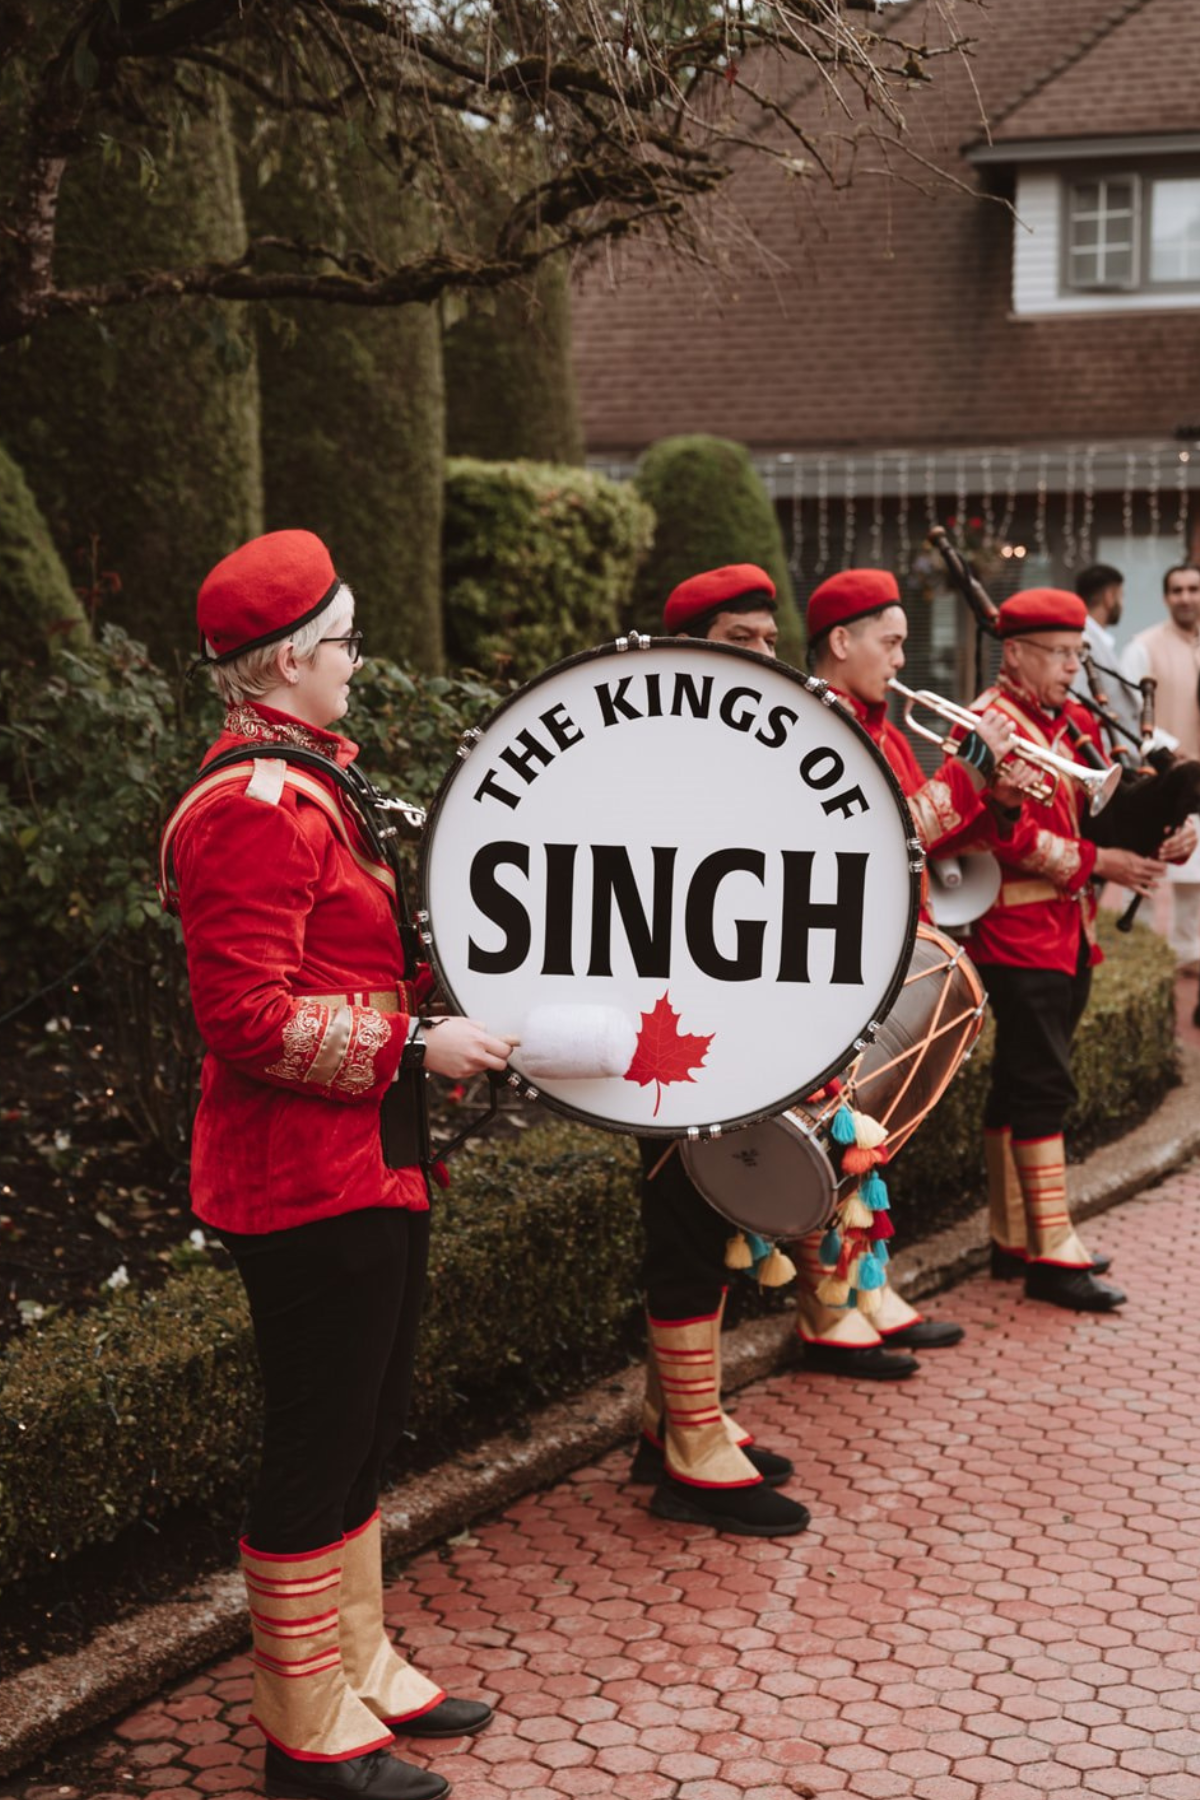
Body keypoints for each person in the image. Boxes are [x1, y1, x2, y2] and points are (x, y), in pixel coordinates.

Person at [161, 531, 518, 1800]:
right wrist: (421, 1042)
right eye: (349, 641)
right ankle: (302, 1723)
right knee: (318, 1441)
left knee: (365, 1424)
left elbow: (344, 970)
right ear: (295, 657)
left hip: (365, 1157)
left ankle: (357, 1661)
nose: (360, 662)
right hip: (301, 1179)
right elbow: (245, 1021)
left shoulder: (308, 781)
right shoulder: (253, 810)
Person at [800, 569, 1026, 1375]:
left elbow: (932, 834)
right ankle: (825, 1310)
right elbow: (885, 835)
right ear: (841, 642)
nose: (901, 658)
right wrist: (964, 773)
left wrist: (991, 796)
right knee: (839, 1131)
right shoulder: (821, 726)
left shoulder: (882, 724)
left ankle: (865, 1288)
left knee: (873, 1138)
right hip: (846, 963)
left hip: (899, 947)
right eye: (890, 642)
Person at [628, 564, 813, 1538]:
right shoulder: (655, 753)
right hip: (662, 1033)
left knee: (712, 1217)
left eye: (769, 644)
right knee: (688, 1223)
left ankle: (673, 1425)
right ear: (694, 647)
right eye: (743, 641)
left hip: (723, 1027)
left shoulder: (753, 752)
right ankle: (691, 1454)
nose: (763, 660)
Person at [962, 587, 1193, 1308]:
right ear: (1018, 654)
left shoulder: (1070, 724)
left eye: (1076, 654)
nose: (1071, 667)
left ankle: (1012, 1238)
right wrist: (1102, 865)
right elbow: (1002, 833)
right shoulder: (987, 724)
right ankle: (1053, 1253)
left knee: (1018, 1084)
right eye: (1059, 655)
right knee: (1043, 1086)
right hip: (1015, 928)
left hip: (1068, 933)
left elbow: (1111, 809)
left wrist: (1167, 830)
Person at [1119, 564, 1200, 971]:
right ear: (1166, 597)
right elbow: (1130, 715)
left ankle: (1189, 960)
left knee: (1196, 892)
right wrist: (1175, 754)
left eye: (1194, 589)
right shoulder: (1142, 647)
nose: (1186, 597)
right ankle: (1144, 964)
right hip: (1164, 780)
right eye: (1177, 590)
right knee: (1150, 877)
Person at [1071, 562, 1139, 743]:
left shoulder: (1095, 638)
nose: (1122, 604)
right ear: (1110, 597)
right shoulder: (1083, 640)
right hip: (1104, 754)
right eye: (1121, 596)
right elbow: (1079, 705)